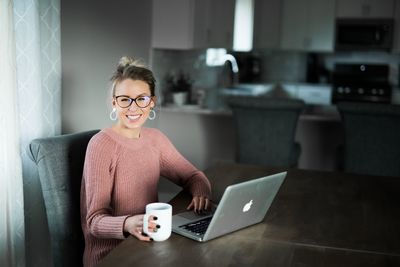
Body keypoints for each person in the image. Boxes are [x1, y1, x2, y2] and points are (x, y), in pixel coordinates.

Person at [80, 56, 212, 267]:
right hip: (111, 256)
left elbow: (193, 176)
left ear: (152, 102)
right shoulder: (101, 145)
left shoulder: (155, 139)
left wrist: (201, 192)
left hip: (149, 246)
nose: (133, 107)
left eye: (141, 99)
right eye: (125, 99)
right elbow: (94, 221)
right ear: (114, 102)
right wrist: (128, 223)